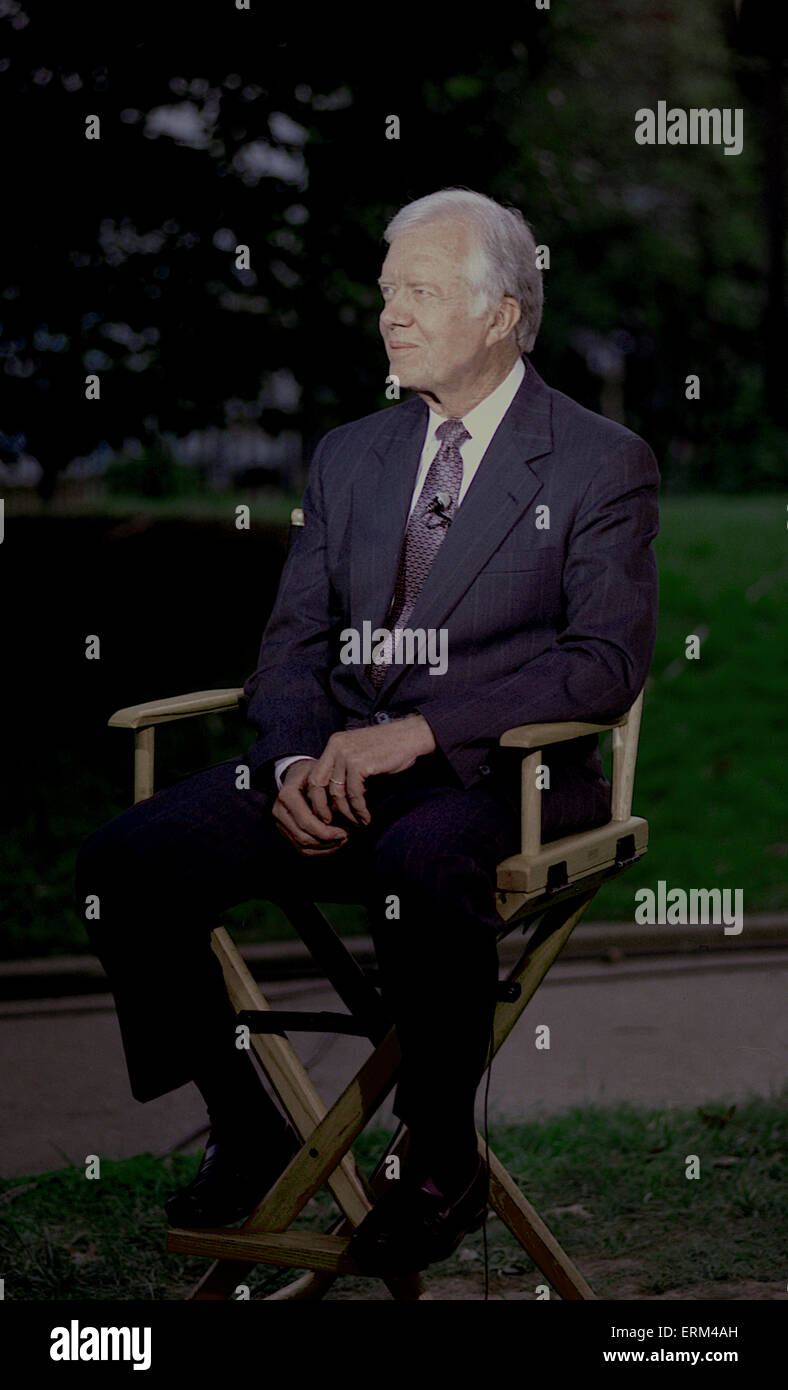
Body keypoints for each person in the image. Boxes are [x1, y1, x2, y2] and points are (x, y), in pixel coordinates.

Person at [76, 187, 659, 1277]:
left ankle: (439, 1154)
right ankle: (250, 1126)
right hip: (337, 759)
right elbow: (291, 643)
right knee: (124, 862)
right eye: (387, 292)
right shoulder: (351, 453)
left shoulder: (594, 461)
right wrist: (293, 759)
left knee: (421, 854)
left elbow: (603, 661)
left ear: (500, 313)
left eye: (422, 292)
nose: (390, 314)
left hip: (508, 776)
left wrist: (420, 733)